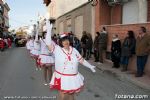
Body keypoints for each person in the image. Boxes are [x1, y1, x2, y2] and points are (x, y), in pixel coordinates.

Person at [45, 20, 96, 100]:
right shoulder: (57, 49)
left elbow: (81, 60)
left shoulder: (74, 50)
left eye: (67, 40)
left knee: (71, 96)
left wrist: (90, 66)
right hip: (62, 78)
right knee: (62, 96)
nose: (66, 42)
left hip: (73, 78)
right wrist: (48, 31)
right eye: (63, 40)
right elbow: (48, 43)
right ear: (60, 42)